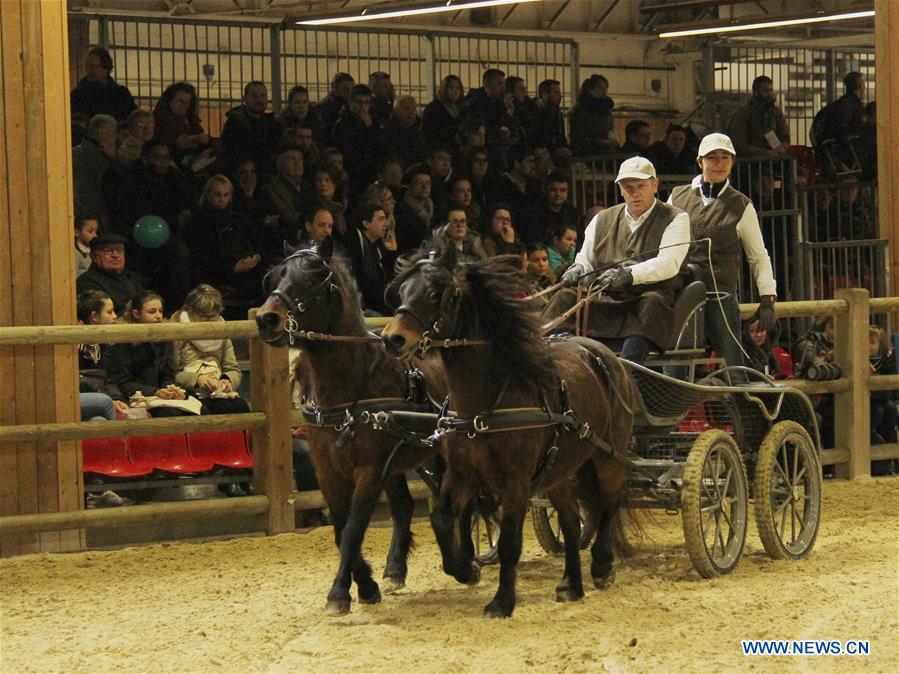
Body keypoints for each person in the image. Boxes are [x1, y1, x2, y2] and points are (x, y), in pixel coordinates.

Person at [547, 156, 690, 364]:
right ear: (620, 190)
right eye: (627, 187)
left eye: (641, 186)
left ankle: (628, 372)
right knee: (564, 297)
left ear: (655, 185)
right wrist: (578, 268)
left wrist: (629, 274)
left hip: (646, 295)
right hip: (607, 296)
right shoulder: (602, 219)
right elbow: (587, 258)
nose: (634, 193)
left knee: (653, 303)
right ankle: (556, 362)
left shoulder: (676, 218)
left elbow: (668, 263)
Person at [668, 133, 777, 379]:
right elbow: (665, 247)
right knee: (674, 368)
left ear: (732, 162)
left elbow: (758, 256)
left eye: (725, 157)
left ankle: (746, 414)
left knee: (735, 368)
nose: (719, 163)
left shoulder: (741, 205)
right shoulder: (677, 197)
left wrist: (768, 298)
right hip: (683, 294)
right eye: (712, 158)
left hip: (721, 296)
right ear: (700, 161)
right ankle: (669, 417)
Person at [187, 174, 266, 309]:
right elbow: (201, 258)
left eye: (226, 195)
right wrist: (232, 268)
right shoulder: (198, 222)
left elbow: (256, 242)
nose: (222, 199)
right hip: (218, 273)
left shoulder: (239, 219)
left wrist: (256, 257)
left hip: (248, 267)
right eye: (217, 195)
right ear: (208, 195)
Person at [172, 284, 250, 415]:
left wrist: (227, 380)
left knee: (240, 407)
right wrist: (196, 379)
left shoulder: (222, 331)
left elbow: (232, 368)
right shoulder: (176, 331)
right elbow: (171, 374)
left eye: (212, 316)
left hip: (216, 389)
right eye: (203, 316)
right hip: (188, 391)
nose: (208, 320)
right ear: (190, 312)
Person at [110, 290, 188, 417]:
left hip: (160, 398)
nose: (158, 316)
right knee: (171, 414)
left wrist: (171, 390)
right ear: (136, 314)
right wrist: (155, 392)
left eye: (160, 311)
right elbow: (124, 383)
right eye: (152, 312)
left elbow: (168, 375)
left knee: (201, 410)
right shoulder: (124, 340)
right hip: (137, 398)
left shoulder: (165, 337)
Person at [77, 289, 128, 414]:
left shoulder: (104, 343)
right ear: (94, 316)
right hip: (73, 398)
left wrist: (117, 398)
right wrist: (110, 399)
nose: (115, 316)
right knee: (104, 402)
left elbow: (109, 378)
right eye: (110, 312)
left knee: (98, 419)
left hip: (97, 398)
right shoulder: (74, 346)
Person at [332, 84, 386, 194]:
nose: (363, 106)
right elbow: (349, 152)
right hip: (353, 175)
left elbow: (380, 147)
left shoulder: (374, 122)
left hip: (372, 172)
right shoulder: (342, 125)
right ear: (350, 102)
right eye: (358, 102)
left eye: (366, 102)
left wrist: (370, 128)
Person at [76, 233, 146, 315]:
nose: (115, 255)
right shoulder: (86, 282)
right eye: (108, 251)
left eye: (119, 250)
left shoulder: (131, 278)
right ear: (94, 256)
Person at [346, 203, 396, 315]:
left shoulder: (378, 247)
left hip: (378, 304)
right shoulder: (354, 244)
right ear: (366, 223)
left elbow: (387, 281)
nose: (386, 224)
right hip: (362, 308)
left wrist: (392, 252)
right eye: (380, 219)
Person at [72, 114, 119, 231]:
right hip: (95, 213)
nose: (116, 137)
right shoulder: (99, 157)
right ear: (102, 133)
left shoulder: (74, 153)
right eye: (113, 132)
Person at [261, 144, 315, 245]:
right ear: (279, 164)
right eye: (292, 160)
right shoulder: (270, 189)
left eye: (300, 159)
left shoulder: (309, 187)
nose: (297, 163)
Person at [221, 81, 280, 172]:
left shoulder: (272, 123)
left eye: (262, 96)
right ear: (244, 99)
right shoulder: (234, 124)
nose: (259, 100)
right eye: (254, 96)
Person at [727, 75, 790, 158]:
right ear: (756, 92)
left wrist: (781, 149)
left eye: (771, 90)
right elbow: (738, 143)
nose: (770, 94)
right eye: (766, 91)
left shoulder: (776, 112)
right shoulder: (744, 113)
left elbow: (785, 137)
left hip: (775, 160)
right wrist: (764, 153)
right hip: (751, 164)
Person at [152, 82, 211, 167]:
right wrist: (176, 142)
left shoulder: (190, 119)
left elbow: (200, 134)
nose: (183, 106)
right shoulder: (159, 119)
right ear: (169, 101)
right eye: (179, 102)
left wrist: (204, 139)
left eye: (186, 103)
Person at [70, 47, 136, 121]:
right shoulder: (78, 94)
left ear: (106, 68)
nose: (88, 70)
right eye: (87, 66)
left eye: (93, 66)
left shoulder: (121, 94)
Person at [495, 144, 542, 242]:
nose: (533, 165)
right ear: (516, 163)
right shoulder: (500, 186)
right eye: (529, 161)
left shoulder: (535, 185)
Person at [569, 74, 617, 156]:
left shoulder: (606, 109)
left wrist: (612, 139)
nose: (604, 91)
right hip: (587, 153)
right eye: (600, 88)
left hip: (605, 152)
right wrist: (600, 141)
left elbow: (610, 129)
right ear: (590, 90)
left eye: (606, 87)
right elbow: (577, 137)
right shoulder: (581, 110)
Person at [868, 326, 897, 450]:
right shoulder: (854, 357)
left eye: (872, 343)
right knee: (877, 411)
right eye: (864, 342)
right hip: (863, 399)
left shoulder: (887, 358)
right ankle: (870, 440)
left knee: (891, 408)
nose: (868, 346)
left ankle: (887, 450)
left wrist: (874, 376)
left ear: (880, 344)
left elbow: (890, 386)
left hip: (881, 397)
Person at [394, 164, 434, 253]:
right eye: (419, 183)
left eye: (428, 183)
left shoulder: (432, 208)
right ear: (408, 185)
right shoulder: (400, 212)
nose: (425, 187)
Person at [532, 173, 579, 247]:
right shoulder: (534, 213)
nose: (558, 194)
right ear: (545, 190)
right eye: (553, 190)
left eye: (562, 190)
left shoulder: (572, 212)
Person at [532, 79, 571, 164]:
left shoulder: (557, 112)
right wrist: (556, 149)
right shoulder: (534, 112)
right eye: (556, 93)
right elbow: (538, 137)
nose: (560, 96)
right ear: (545, 95)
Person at [422, 74, 464, 151]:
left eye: (458, 88)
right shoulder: (434, 108)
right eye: (451, 88)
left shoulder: (462, 107)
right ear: (444, 89)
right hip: (440, 149)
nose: (455, 91)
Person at [314, 72, 355, 147]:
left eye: (352, 90)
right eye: (346, 90)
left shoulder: (350, 106)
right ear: (334, 88)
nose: (350, 94)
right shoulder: (323, 108)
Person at [383, 95, 425, 168]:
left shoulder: (419, 130)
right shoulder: (388, 133)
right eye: (406, 108)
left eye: (414, 109)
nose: (411, 112)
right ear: (395, 111)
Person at [310, 167, 349, 241]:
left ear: (335, 183)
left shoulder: (343, 205)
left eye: (327, 180)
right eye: (318, 180)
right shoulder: (312, 206)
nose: (323, 184)